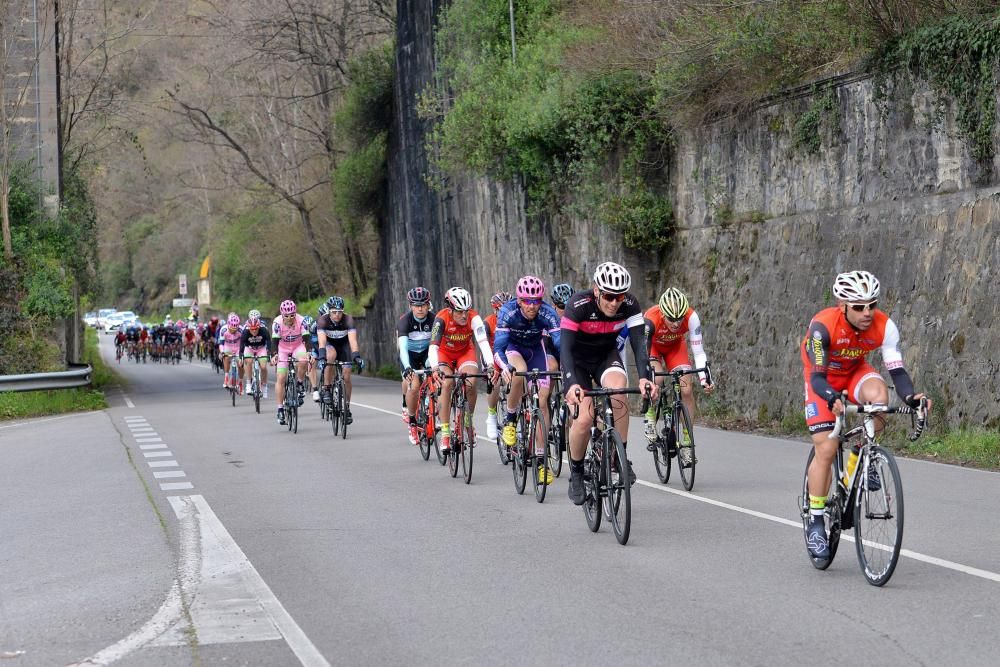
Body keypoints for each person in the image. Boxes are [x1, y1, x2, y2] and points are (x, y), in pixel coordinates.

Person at [801, 270, 930, 560]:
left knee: (880, 399)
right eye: (859, 307)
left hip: (854, 372)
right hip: (822, 381)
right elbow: (817, 377)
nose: (867, 312)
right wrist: (832, 398)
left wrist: (911, 397)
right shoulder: (822, 326)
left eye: (872, 304)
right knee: (827, 446)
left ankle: (864, 453)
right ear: (842, 305)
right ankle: (817, 520)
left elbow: (896, 371)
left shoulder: (885, 327)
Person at [561, 262, 657, 505]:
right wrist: (571, 384)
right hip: (579, 362)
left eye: (620, 296)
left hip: (605, 356)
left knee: (618, 394)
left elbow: (638, 344)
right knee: (583, 418)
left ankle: (618, 457)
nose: (615, 303)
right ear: (596, 291)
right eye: (609, 296)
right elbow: (566, 351)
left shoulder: (630, 305)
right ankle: (576, 471)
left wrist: (646, 376)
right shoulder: (578, 306)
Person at [494, 276, 562, 485]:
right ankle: (511, 419)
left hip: (536, 350)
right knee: (518, 371)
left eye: (536, 301)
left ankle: (541, 461)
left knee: (542, 401)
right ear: (519, 300)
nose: (532, 306)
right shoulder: (508, 311)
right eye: (527, 301)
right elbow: (498, 347)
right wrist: (505, 367)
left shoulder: (548, 313)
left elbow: (560, 344)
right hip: (513, 349)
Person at [642, 288, 715, 463]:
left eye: (679, 318)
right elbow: (642, 354)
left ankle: (687, 444)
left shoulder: (692, 317)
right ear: (662, 313)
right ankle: (650, 416)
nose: (676, 323)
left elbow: (698, 351)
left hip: (675, 348)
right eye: (671, 319)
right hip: (653, 348)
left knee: (687, 389)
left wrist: (705, 379)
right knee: (656, 379)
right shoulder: (650, 318)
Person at [429, 287, 494, 452]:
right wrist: (435, 368)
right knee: (446, 384)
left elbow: (483, 342)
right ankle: (445, 432)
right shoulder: (441, 319)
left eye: (466, 311)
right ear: (450, 309)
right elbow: (433, 347)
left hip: (465, 352)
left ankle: (467, 422)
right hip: (444, 354)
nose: (464, 315)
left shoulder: (474, 318)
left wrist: (491, 365)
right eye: (459, 311)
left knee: (471, 381)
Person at [316, 296, 362, 424]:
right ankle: (326, 388)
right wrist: (321, 357)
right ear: (329, 311)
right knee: (330, 356)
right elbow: (322, 342)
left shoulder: (348, 320)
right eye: (334, 312)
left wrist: (357, 356)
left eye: (340, 312)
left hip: (344, 345)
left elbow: (352, 341)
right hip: (330, 344)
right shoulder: (322, 321)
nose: (337, 315)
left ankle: (346, 407)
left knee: (347, 376)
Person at [397, 287, 434, 445]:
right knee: (414, 384)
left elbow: (436, 345)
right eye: (416, 305)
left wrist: (430, 363)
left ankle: (431, 406)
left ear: (428, 305)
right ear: (411, 306)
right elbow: (403, 349)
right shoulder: (405, 321)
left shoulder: (434, 320)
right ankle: (412, 422)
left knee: (437, 376)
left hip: (426, 352)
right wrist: (407, 367)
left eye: (423, 305)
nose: (420, 308)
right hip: (410, 355)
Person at [272, 300, 312, 425]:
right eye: (287, 316)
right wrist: (274, 355)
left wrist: (309, 352)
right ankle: (280, 409)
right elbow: (274, 341)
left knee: (303, 359)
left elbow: (306, 339)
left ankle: (299, 383)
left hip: (297, 346)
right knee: (281, 377)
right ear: (282, 315)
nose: (290, 318)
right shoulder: (277, 323)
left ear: (296, 313)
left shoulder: (302, 321)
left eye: (292, 315)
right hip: (282, 349)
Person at [483, 290, 511, 440]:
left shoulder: (514, 320)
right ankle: (492, 415)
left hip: (509, 355)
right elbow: (484, 346)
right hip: (493, 356)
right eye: (501, 310)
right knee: (495, 381)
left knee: (518, 379)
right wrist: (489, 367)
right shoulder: (488, 322)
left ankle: (517, 412)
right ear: (495, 309)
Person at [241, 310, 271, 398]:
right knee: (249, 362)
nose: (254, 331)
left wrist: (268, 351)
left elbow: (269, 341)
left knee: (264, 367)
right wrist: (241, 354)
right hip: (249, 348)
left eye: (256, 329)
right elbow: (242, 343)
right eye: (252, 329)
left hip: (261, 348)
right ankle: (249, 383)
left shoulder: (264, 329)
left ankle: (264, 386)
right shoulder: (245, 330)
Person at [220, 313, 243, 389]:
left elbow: (244, 343)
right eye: (231, 329)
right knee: (226, 358)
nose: (233, 331)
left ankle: (240, 381)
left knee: (240, 364)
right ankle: (226, 377)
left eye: (235, 329)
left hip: (238, 348)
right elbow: (221, 343)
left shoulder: (241, 330)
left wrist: (243, 353)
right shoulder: (223, 330)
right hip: (228, 348)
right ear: (228, 325)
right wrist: (222, 352)